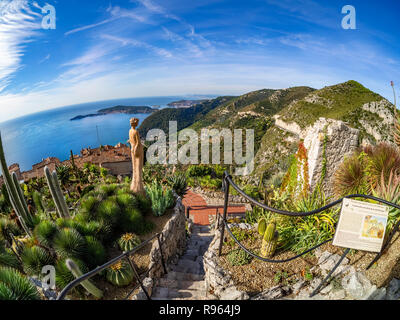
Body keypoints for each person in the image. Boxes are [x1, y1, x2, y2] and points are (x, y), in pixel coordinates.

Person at [128, 118, 145, 196]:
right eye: (137, 122)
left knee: (134, 167)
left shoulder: (130, 131)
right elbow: (138, 142)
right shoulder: (135, 131)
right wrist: (136, 150)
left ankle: (134, 186)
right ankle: (139, 188)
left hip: (132, 149)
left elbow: (130, 140)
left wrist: (132, 146)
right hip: (137, 150)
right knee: (138, 167)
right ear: (135, 123)